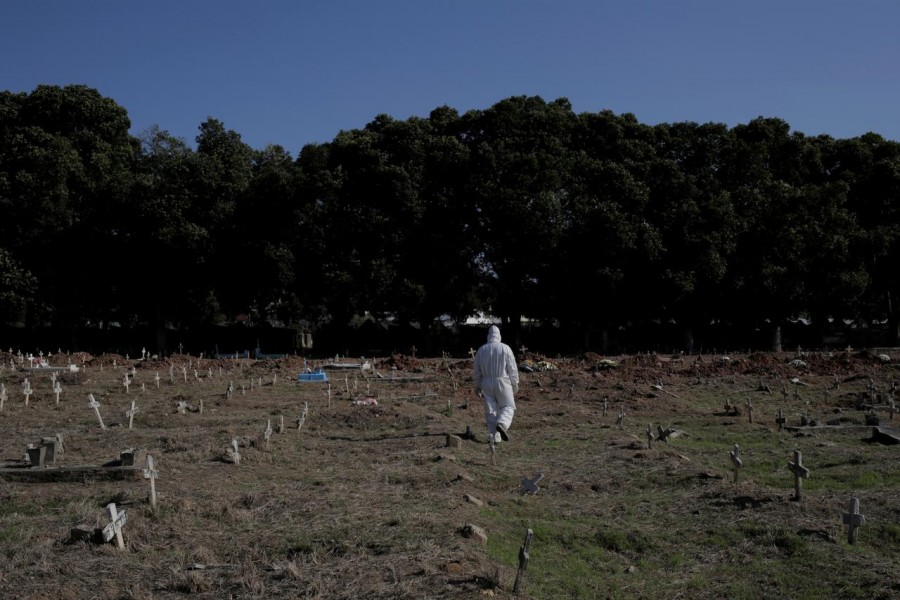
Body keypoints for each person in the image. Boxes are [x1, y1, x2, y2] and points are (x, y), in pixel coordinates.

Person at [473, 325, 519, 442]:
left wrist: (477, 386)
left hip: (486, 383)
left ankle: (495, 437)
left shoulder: (481, 350)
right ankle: (503, 423)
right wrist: (515, 383)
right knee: (508, 406)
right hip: (503, 381)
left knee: (491, 411)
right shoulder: (505, 348)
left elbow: (477, 371)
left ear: (488, 336)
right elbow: (512, 368)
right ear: (499, 336)